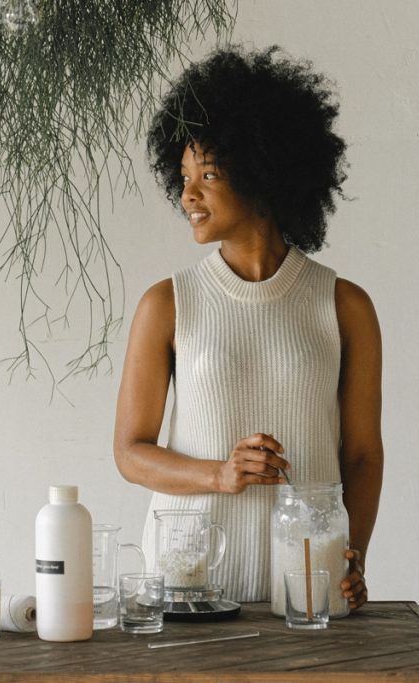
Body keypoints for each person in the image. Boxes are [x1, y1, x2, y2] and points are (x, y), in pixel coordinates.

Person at [113, 45, 383, 610]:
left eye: (208, 174)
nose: (188, 194)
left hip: (307, 594)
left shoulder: (344, 306)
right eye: (184, 175)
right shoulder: (168, 303)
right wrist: (221, 474)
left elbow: (360, 456)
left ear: (265, 174)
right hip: (187, 592)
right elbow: (130, 452)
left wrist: (349, 554)